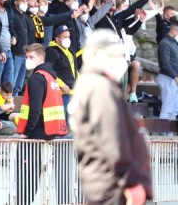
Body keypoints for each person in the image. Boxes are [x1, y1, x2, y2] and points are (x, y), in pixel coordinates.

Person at [70, 29, 152, 205]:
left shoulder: (99, 85)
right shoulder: (99, 87)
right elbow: (112, 140)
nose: (119, 61)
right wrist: (131, 182)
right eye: (112, 55)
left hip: (112, 184)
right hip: (115, 187)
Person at [16, 43, 68, 140]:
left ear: (40, 58)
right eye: (26, 57)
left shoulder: (36, 78)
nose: (28, 60)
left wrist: (27, 132)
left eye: (31, 57)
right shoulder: (51, 77)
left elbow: (35, 109)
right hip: (50, 130)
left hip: (37, 131)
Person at [157, 22, 178, 120]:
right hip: (168, 78)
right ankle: (163, 130)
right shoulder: (164, 43)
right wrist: (175, 77)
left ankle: (169, 131)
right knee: (167, 111)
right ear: (175, 30)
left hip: (174, 79)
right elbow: (165, 64)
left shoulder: (174, 43)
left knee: (174, 111)